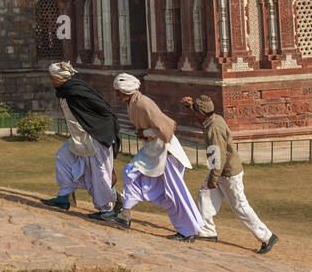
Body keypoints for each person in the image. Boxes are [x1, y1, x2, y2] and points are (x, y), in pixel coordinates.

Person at [102, 73, 204, 241]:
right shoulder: (134, 102)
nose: (116, 94)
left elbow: (167, 127)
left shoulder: (143, 103)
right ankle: (125, 215)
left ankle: (189, 231)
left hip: (167, 154)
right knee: (130, 172)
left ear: (124, 90)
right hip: (153, 151)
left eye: (118, 91)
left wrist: (145, 132)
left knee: (174, 193)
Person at [181, 94, 278, 254]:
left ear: (202, 113)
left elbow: (217, 156)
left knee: (240, 206)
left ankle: (267, 236)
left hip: (228, 174)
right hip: (223, 172)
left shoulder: (214, 128)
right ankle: (207, 232)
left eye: (196, 111)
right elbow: (202, 119)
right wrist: (191, 107)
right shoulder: (214, 119)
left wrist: (213, 178)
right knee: (205, 195)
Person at [41, 61, 123, 218]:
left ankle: (107, 210)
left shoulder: (75, 91)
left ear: (58, 78)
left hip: (96, 137)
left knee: (100, 173)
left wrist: (97, 128)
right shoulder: (68, 90)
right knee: (63, 157)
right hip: (81, 138)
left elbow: (103, 109)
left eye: (52, 77)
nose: (51, 80)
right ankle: (64, 198)